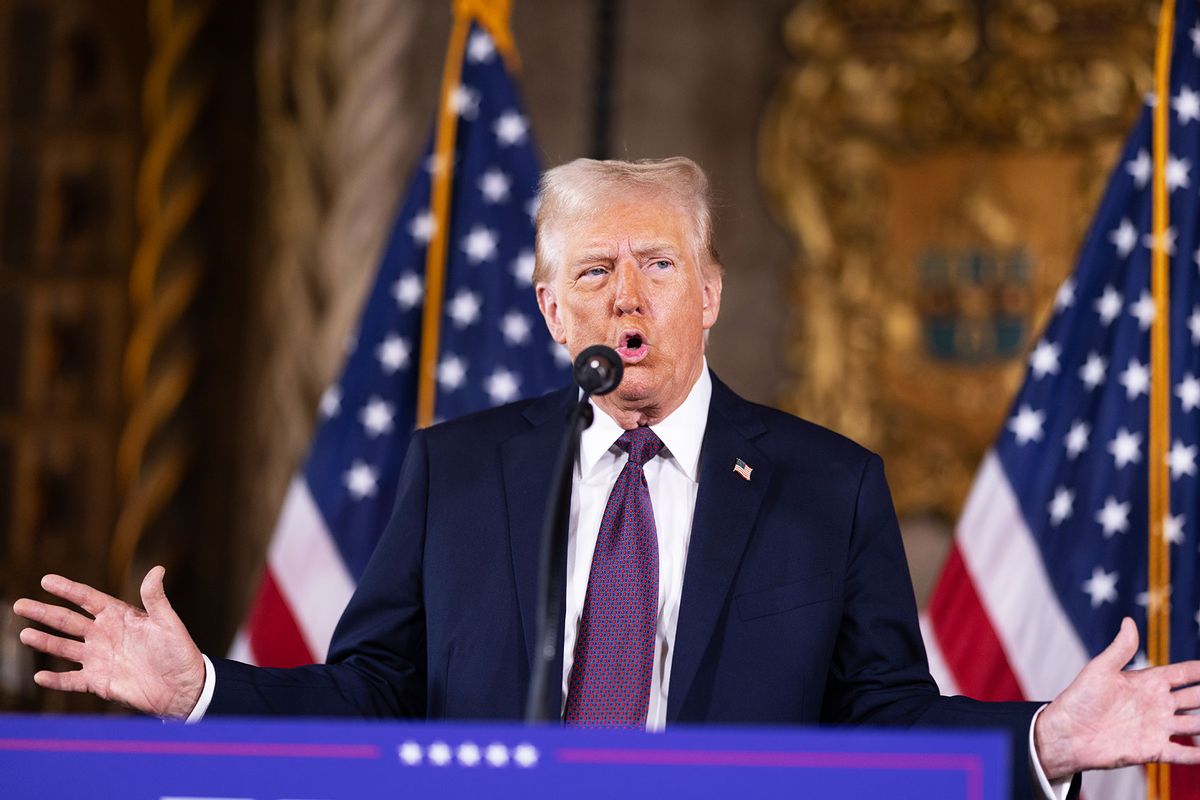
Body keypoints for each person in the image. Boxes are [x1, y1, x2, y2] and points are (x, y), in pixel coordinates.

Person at [14, 158, 1200, 799]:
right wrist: (203, 690)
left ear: (712, 290)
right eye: (592, 270)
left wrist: (1046, 735)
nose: (626, 298)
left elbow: (877, 718)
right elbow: (377, 689)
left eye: (657, 263)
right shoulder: (463, 469)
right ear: (548, 307)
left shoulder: (825, 484)